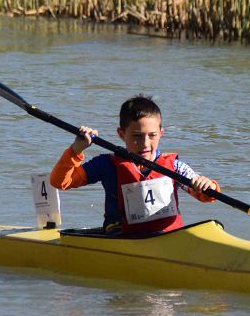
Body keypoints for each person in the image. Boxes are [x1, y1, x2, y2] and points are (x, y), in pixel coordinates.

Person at [49, 94, 220, 235]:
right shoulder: (106, 164)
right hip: (122, 240)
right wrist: (76, 150)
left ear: (161, 133)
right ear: (121, 134)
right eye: (137, 136)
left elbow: (205, 196)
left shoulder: (175, 166)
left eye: (152, 135)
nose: (145, 144)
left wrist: (207, 185)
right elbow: (61, 182)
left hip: (168, 238)